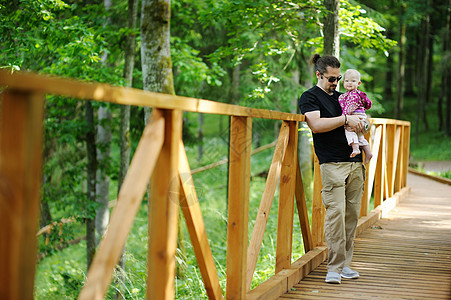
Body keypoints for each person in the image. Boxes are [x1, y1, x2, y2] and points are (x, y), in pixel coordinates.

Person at [298, 54, 366, 284]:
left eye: (338, 78)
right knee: (336, 215)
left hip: (355, 163)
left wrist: (361, 123)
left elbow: (360, 119)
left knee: (351, 216)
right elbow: (316, 125)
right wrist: (345, 119)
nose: (336, 83)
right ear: (318, 74)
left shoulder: (343, 97)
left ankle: (346, 265)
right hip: (332, 164)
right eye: (331, 79)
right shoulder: (310, 97)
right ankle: (334, 269)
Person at [339, 69, 373, 164]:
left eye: (353, 81)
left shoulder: (353, 95)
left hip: (355, 115)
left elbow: (349, 108)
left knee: (349, 131)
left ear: (358, 83)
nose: (349, 83)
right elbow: (368, 104)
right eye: (347, 81)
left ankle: (356, 148)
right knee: (360, 137)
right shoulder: (358, 94)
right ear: (343, 82)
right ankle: (368, 152)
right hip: (361, 115)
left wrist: (343, 118)